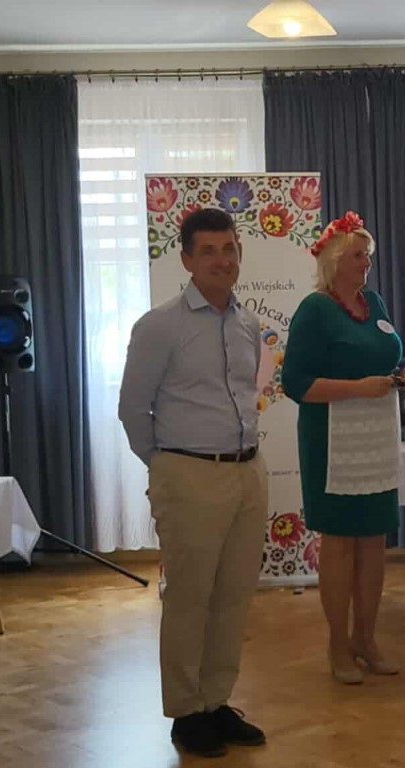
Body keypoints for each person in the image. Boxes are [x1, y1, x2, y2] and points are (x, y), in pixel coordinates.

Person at [118, 207, 269, 758]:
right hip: (188, 474)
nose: (221, 260)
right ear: (186, 259)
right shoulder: (159, 326)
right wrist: (165, 466)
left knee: (233, 595)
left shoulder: (247, 323)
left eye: (229, 249)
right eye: (208, 251)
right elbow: (133, 408)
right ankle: (186, 712)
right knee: (189, 597)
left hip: (247, 472)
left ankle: (215, 700)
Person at [281, 211, 405, 685]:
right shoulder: (314, 311)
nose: (367, 264)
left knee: (374, 541)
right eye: (359, 255)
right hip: (331, 442)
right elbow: (296, 384)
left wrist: (402, 377)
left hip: (376, 438)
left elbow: (384, 356)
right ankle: (337, 645)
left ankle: (367, 639)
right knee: (339, 544)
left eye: (368, 256)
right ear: (335, 261)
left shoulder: (373, 302)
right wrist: (357, 389)